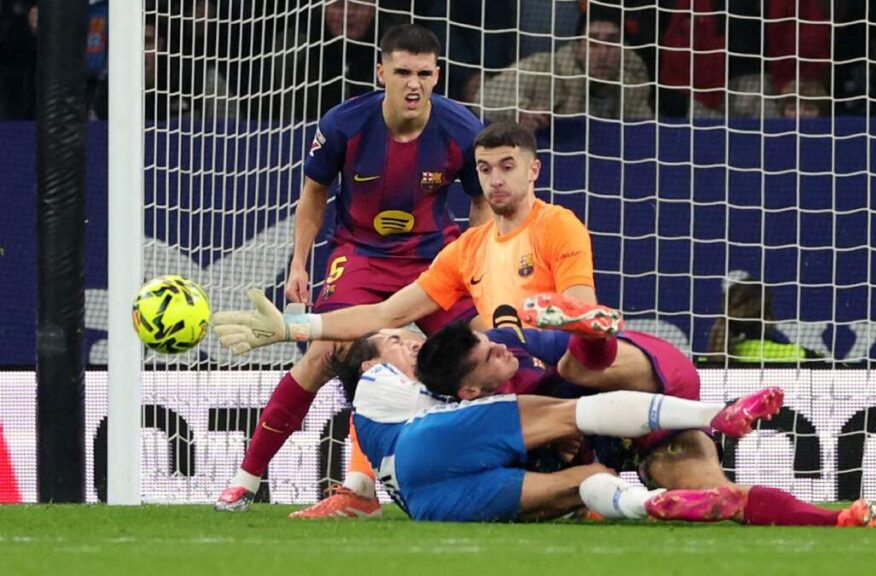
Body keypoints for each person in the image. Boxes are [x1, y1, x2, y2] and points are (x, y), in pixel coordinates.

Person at [214, 23, 489, 512]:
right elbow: (314, 195)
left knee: (485, 352)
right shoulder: (344, 124)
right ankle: (246, 480)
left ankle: (540, 480)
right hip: (361, 254)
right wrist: (300, 263)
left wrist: (476, 265)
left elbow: (480, 205)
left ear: (437, 75)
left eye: (424, 73)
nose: (413, 84)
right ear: (380, 71)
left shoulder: (462, 129)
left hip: (434, 257)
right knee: (323, 352)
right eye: (402, 71)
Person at [406, 296, 876, 527]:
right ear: (467, 391)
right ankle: (838, 519)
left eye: (491, 341)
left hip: (650, 380)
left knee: (580, 367)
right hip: (631, 442)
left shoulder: (515, 344)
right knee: (723, 498)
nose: (500, 350)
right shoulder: (464, 426)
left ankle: (592, 332)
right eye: (487, 355)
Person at [293, 326, 784, 522]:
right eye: (398, 341)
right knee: (572, 414)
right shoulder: (380, 381)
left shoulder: (371, 416)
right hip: (433, 446)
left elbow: (365, 474)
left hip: (432, 503)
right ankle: (716, 414)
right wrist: (310, 329)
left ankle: (652, 504)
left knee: (584, 484)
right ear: (370, 365)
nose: (413, 342)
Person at [212, 121, 598, 354]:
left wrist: (520, 340)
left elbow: (583, 314)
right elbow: (386, 314)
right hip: (511, 385)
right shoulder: (466, 249)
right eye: (484, 168)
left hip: (561, 373)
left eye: (507, 167)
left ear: (534, 171)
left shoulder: (557, 225)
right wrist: (292, 327)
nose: (495, 179)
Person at [471, 7, 652, 132]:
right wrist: (520, 111)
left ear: (624, 49)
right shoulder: (543, 68)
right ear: (578, 47)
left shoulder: (634, 83)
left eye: (612, 42)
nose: (603, 53)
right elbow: (484, 96)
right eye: (594, 42)